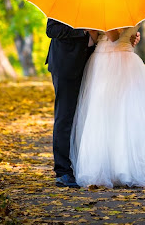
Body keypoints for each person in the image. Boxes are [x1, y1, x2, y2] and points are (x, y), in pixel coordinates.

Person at [70, 24, 145, 188]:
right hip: (109, 59)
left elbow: (113, 36)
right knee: (106, 114)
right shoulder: (128, 9)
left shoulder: (114, 11)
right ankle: (113, 166)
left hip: (115, 62)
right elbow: (98, 38)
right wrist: (92, 29)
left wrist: (94, 23)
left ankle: (125, 167)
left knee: (123, 113)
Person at [45, 19, 139, 188]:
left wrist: (128, 35)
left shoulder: (100, 0)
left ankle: (81, 165)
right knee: (66, 116)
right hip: (66, 63)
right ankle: (63, 172)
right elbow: (52, 30)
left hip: (94, 63)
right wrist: (83, 31)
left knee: (87, 117)